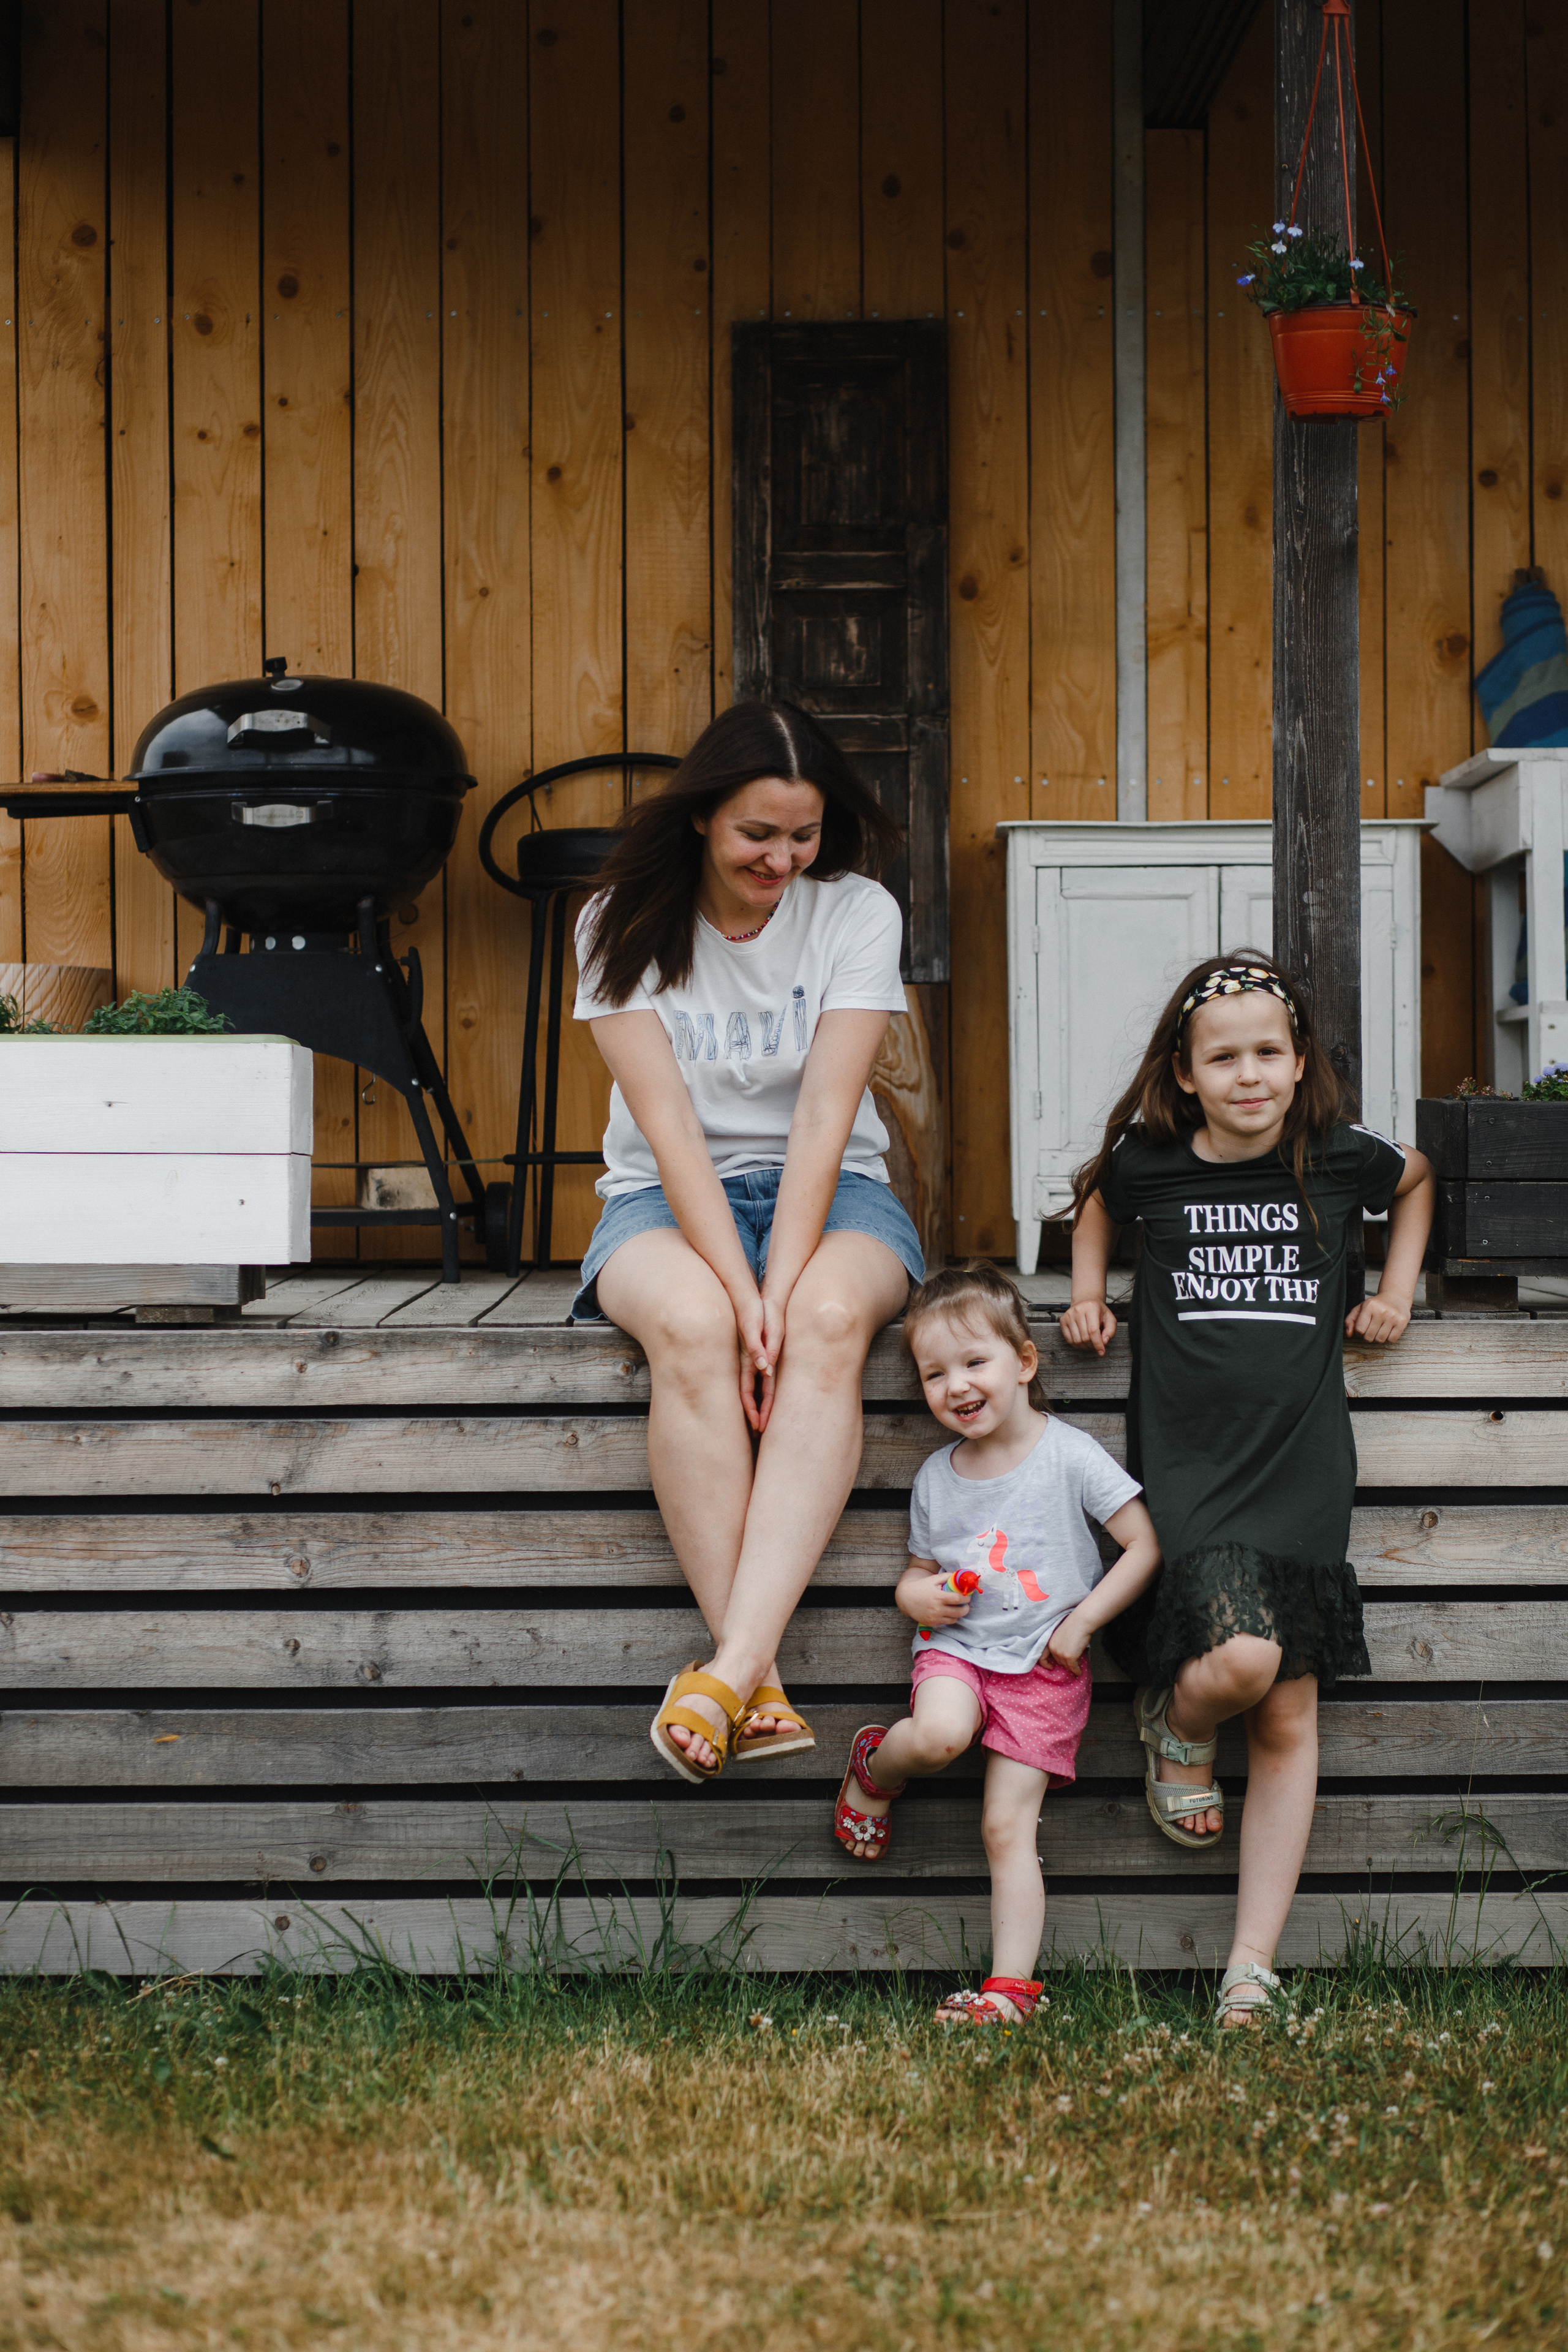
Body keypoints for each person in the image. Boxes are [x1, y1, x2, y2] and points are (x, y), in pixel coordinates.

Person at [1060, 952, 1434, 2026]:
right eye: (1223, 1057)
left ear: (1300, 1059)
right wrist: (1088, 1293)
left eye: (1269, 1051)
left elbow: (1414, 1180)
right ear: (1183, 1073)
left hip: (1303, 1464)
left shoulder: (1336, 1157)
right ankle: (1177, 1728)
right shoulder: (1153, 1162)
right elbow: (1093, 1201)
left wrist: (1396, 1293)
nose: (1250, 1074)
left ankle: (1249, 1966)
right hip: (1191, 1464)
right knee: (1245, 1658)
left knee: (1286, 1711)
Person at [573, 700, 924, 1785]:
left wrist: (779, 1289)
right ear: (700, 821)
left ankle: (725, 1675)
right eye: (756, 834)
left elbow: (826, 1115)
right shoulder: (616, 920)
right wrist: (739, 1289)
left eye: (802, 835)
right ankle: (752, 1672)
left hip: (841, 1190)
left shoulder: (855, 912)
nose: (782, 857)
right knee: (693, 1324)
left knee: (823, 1322)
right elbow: (670, 1130)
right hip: (664, 1199)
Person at [832, 1263, 1161, 2026]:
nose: (955, 1385)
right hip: (958, 1652)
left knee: (1005, 1826)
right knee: (942, 1734)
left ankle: (1009, 1990)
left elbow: (1142, 1546)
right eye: (933, 1373)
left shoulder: (1070, 1455)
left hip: (1047, 1669)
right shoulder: (936, 1476)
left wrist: (1083, 1623)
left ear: (1023, 1362)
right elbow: (915, 1576)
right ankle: (877, 1770)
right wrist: (921, 1598)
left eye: (973, 1362)